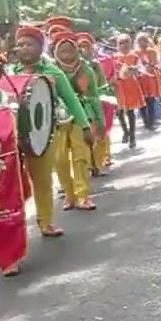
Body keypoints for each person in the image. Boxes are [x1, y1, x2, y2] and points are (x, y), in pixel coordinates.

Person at [10, 24, 93, 240]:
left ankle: (45, 222)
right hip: (13, 138)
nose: (23, 48)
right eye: (20, 45)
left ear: (40, 48)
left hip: (44, 135)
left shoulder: (53, 72)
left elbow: (71, 101)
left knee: (43, 179)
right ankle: (12, 232)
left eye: (29, 44)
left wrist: (85, 127)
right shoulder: (9, 74)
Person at [51, 32, 100, 212]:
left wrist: (98, 121)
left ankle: (83, 196)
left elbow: (94, 95)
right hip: (58, 118)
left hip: (81, 115)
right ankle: (69, 195)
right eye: (62, 51)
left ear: (76, 51)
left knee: (81, 156)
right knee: (60, 158)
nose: (66, 54)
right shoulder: (51, 70)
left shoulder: (86, 69)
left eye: (70, 50)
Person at [76, 32, 113, 174]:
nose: (84, 49)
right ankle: (88, 165)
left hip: (97, 101)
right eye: (80, 46)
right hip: (79, 104)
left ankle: (98, 163)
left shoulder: (96, 64)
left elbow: (103, 85)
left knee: (101, 131)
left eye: (86, 46)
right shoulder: (73, 65)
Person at [112, 34, 146, 150]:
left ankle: (132, 137)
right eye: (121, 43)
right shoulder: (114, 57)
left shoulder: (134, 56)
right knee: (119, 112)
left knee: (131, 112)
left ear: (130, 43)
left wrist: (134, 69)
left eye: (126, 42)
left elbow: (141, 70)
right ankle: (125, 131)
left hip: (131, 86)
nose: (124, 45)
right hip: (118, 86)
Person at [133, 33, 161, 131]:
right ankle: (146, 121)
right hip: (139, 79)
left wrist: (148, 66)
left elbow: (153, 64)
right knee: (142, 101)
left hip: (150, 79)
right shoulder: (135, 53)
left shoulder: (152, 51)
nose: (142, 43)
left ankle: (151, 122)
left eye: (144, 40)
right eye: (140, 41)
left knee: (150, 100)